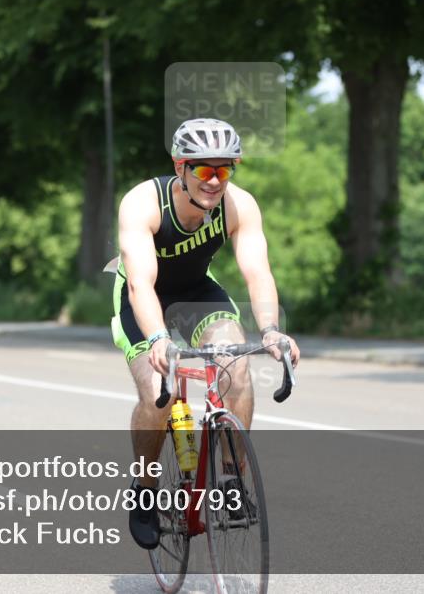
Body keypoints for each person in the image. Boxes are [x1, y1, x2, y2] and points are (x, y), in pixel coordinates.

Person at [113, 118, 300, 549]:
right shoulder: (143, 203)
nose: (214, 181)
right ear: (180, 166)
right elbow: (142, 283)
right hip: (143, 297)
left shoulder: (240, 205)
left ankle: (233, 483)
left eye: (224, 170)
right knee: (157, 389)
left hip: (197, 292)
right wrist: (158, 337)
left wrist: (271, 330)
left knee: (236, 364)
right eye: (203, 170)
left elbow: (258, 272)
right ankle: (145, 488)